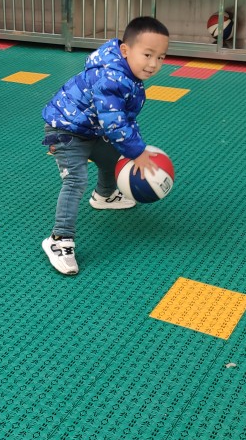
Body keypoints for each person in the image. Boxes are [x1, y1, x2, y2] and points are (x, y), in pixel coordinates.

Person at [40, 16, 170, 276]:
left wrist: (135, 148)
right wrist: (137, 152)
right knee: (75, 180)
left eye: (161, 57)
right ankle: (59, 239)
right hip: (64, 131)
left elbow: (125, 119)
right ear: (125, 50)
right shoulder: (111, 77)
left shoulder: (128, 74)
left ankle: (104, 195)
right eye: (147, 55)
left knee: (114, 158)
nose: (153, 64)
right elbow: (113, 122)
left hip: (90, 129)